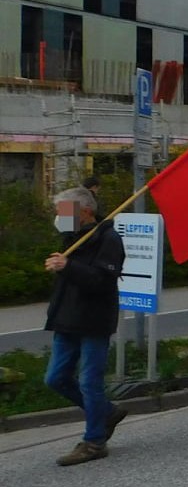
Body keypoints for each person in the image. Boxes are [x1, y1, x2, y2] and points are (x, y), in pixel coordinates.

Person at [43, 186, 127, 466]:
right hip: (66, 318)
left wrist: (67, 266)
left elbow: (102, 280)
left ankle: (94, 441)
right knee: (55, 378)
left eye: (64, 211)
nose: (59, 216)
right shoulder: (71, 236)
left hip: (93, 320)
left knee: (90, 382)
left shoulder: (109, 238)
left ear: (86, 211)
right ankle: (106, 413)